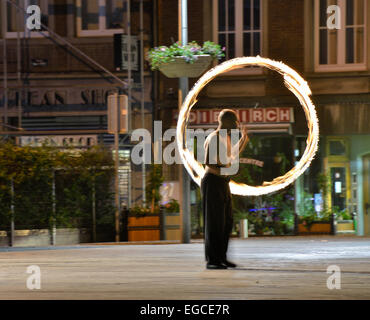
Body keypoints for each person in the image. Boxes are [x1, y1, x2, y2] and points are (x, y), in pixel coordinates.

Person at [201, 109, 249, 269]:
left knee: (226, 221)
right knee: (215, 222)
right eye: (234, 121)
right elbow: (210, 162)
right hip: (213, 181)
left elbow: (231, 158)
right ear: (226, 121)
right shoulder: (214, 138)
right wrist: (227, 170)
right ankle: (213, 260)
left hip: (222, 183)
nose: (236, 124)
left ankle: (221, 257)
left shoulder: (226, 138)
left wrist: (243, 141)